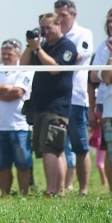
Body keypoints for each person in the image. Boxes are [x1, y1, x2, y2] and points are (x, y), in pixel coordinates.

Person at [22, 12, 78, 197]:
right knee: (53, 150)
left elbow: (54, 69)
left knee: (50, 149)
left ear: (59, 24)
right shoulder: (43, 45)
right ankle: (57, 191)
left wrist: (38, 49)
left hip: (56, 107)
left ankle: (52, 190)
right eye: (42, 28)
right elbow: (22, 64)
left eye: (49, 27)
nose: (46, 32)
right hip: (40, 105)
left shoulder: (67, 46)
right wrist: (31, 45)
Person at [0, 38, 33, 196]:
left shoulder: (24, 70)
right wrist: (4, 88)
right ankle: (5, 194)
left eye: (9, 54)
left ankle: (24, 194)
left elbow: (18, 93)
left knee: (23, 164)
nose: (5, 56)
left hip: (20, 126)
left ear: (18, 55)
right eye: (3, 53)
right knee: (1, 165)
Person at [54, 0, 94, 195]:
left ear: (73, 15)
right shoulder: (52, 36)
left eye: (63, 15)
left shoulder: (84, 34)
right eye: (57, 16)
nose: (60, 20)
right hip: (56, 99)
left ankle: (83, 189)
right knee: (58, 146)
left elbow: (77, 57)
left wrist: (57, 56)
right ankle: (61, 187)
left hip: (76, 98)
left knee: (80, 146)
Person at [93, 6, 112, 195]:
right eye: (110, 21)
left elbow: (109, 78)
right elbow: (106, 77)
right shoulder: (106, 47)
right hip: (111, 107)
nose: (111, 24)